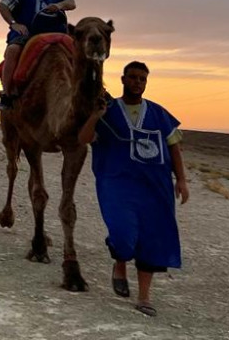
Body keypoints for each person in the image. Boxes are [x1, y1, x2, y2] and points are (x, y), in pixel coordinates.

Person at [78, 61, 189, 317]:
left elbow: (174, 148)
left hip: (154, 187)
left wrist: (181, 180)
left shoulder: (159, 114)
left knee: (152, 240)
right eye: (133, 77)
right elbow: (83, 139)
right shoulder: (107, 110)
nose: (137, 82)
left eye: (142, 78)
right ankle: (120, 262)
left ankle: (144, 297)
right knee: (122, 233)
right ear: (123, 79)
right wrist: (95, 116)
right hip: (117, 185)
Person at [0, 0, 76, 109]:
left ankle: (92, 90)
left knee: (84, 51)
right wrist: (14, 24)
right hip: (29, 31)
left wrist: (59, 5)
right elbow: (3, 6)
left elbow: (72, 3)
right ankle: (7, 94)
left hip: (57, 30)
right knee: (13, 50)